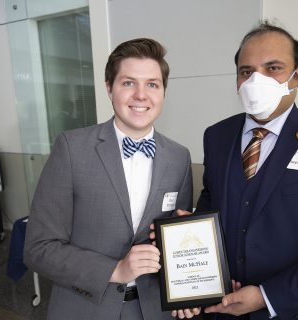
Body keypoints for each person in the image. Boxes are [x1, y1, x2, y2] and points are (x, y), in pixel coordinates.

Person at [165, 20, 298, 320]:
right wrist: (193, 240)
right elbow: (213, 202)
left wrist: (268, 296)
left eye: (273, 68)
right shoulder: (216, 136)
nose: (257, 81)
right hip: (221, 312)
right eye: (247, 71)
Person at [24, 38, 195, 320]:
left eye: (152, 84)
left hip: (155, 310)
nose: (141, 95)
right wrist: (115, 270)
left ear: (163, 91)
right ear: (109, 89)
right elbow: (38, 248)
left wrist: (188, 291)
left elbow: (177, 242)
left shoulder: (179, 157)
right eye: (128, 83)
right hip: (86, 307)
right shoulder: (71, 148)